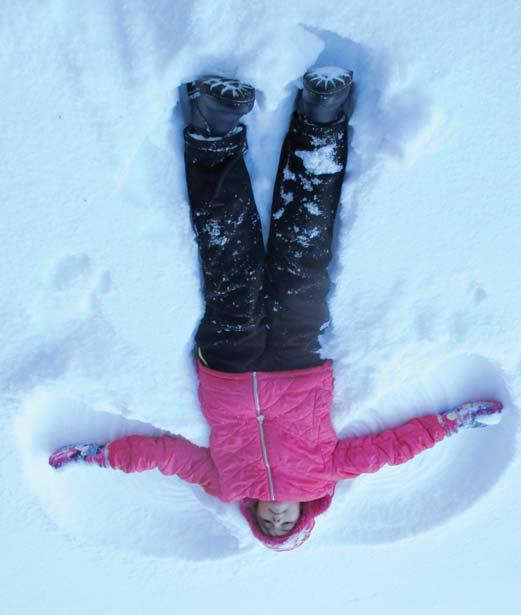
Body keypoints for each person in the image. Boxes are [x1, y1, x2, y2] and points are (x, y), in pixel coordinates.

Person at [49, 68, 504, 551]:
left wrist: (100, 456)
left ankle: (213, 125)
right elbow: (392, 449)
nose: (277, 519)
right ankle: (320, 121)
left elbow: (167, 458)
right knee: (304, 253)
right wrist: (453, 422)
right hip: (297, 360)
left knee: (228, 252)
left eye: (269, 526)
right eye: (288, 526)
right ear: (305, 515)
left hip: (228, 362)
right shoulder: (324, 474)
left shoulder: (227, 484)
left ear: (254, 517)